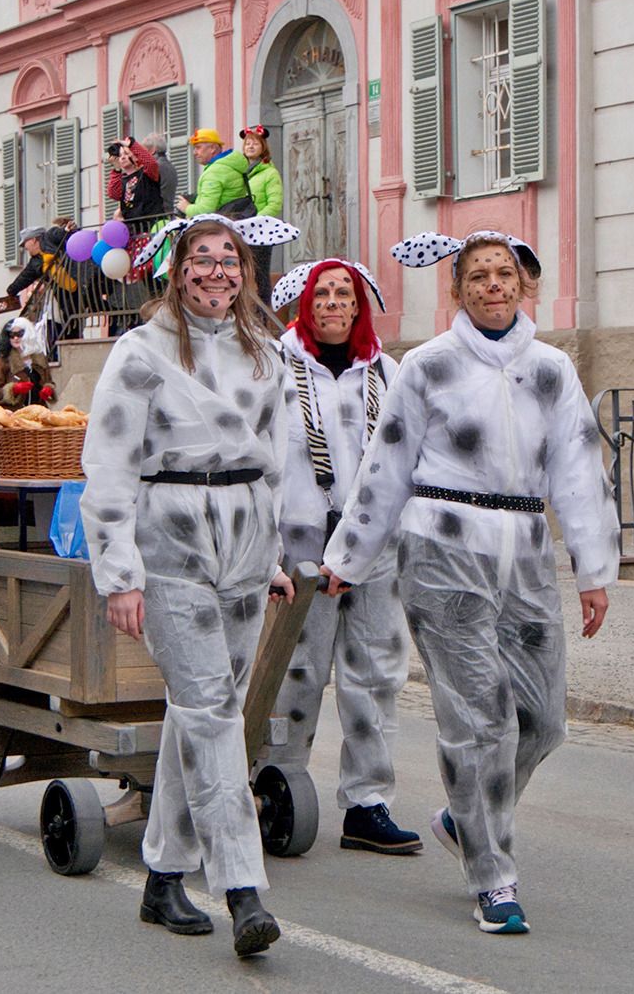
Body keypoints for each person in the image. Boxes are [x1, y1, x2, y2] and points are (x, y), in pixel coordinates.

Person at [321, 231, 619, 935]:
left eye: (504, 274)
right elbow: (386, 466)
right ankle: (493, 876)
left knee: (542, 721)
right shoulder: (427, 366)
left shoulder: (551, 369)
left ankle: (465, 817)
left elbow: (579, 469)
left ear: (524, 286)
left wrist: (593, 568)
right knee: (478, 720)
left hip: (525, 551)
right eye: (478, 275)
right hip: (443, 546)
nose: (493, 285)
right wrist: (349, 557)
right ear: (457, 290)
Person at [79, 217, 293, 958]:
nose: (216, 271)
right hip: (171, 537)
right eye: (201, 258)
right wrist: (119, 575)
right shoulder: (140, 352)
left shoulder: (266, 352)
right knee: (211, 710)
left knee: (204, 710)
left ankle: (164, 875)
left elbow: (278, 460)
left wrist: (273, 555)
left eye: (229, 259)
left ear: (245, 272)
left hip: (246, 540)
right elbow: (107, 465)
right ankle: (242, 889)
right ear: (177, 271)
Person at [259, 260, 418, 856]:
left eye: (343, 293)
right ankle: (277, 786)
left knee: (376, 673)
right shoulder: (275, 367)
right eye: (321, 293)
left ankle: (367, 802)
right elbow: (261, 458)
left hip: (374, 547)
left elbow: (404, 457)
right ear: (305, 305)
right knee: (295, 672)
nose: (332, 302)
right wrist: (266, 549)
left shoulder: (386, 372)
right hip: (301, 546)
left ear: (358, 305)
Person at [240, 125, 285, 306]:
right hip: (241, 230)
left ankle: (264, 314)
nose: (250, 146)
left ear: (263, 147)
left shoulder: (269, 173)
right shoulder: (240, 173)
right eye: (247, 143)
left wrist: (255, 221)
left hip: (261, 231)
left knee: (260, 275)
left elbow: (274, 204)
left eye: (255, 143)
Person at [176, 129, 251, 219]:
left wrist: (186, 207)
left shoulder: (214, 172)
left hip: (218, 224)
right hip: (233, 220)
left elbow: (205, 210)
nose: (194, 152)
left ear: (212, 148)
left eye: (198, 147)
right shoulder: (231, 164)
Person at [0, 317, 56, 410]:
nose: (15, 338)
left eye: (19, 334)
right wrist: (13, 390)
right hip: (13, 414)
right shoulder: (3, 361)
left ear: (28, 334)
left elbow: (49, 382)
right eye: (12, 335)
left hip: (38, 412)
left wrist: (48, 389)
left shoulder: (40, 359)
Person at [107, 136, 165, 226]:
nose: (123, 158)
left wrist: (132, 145)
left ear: (135, 155)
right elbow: (113, 194)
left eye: (126, 154)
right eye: (119, 156)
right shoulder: (122, 180)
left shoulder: (146, 173)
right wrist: (117, 169)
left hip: (153, 225)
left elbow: (151, 163)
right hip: (133, 229)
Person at [141, 132, 179, 213]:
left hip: (156, 214)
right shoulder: (170, 167)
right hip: (168, 212)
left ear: (152, 150)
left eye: (143, 151)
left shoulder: (154, 167)